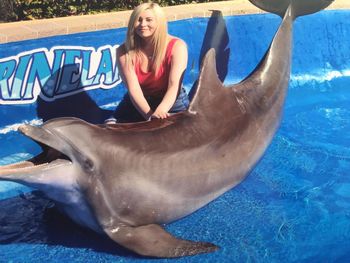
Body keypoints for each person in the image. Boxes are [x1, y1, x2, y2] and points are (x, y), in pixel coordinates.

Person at [106, 2, 190, 123]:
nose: (143, 24)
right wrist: (149, 117)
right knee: (110, 127)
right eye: (138, 20)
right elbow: (134, 89)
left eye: (149, 20)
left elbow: (174, 86)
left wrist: (161, 111)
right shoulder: (123, 51)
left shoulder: (177, 46)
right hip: (140, 100)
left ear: (159, 22)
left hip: (171, 100)